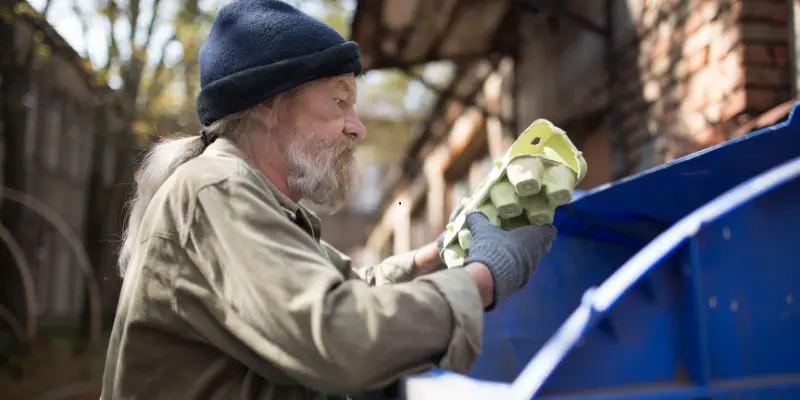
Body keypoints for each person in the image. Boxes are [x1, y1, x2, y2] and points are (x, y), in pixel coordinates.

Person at [100, 0, 557, 399]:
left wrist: (439, 254)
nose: (357, 127)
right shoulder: (215, 191)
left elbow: (350, 289)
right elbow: (343, 337)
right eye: (340, 102)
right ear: (269, 104)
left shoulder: (259, 204)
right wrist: (485, 276)